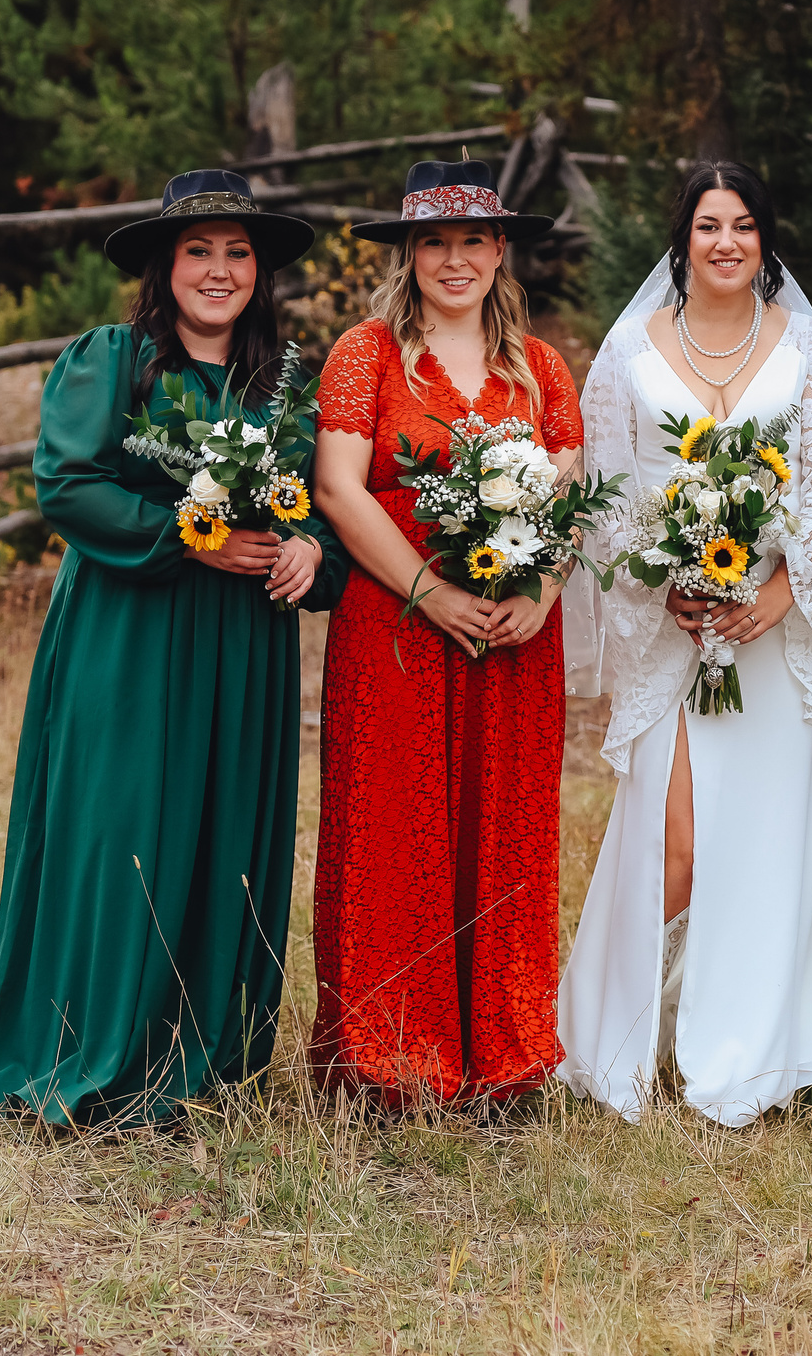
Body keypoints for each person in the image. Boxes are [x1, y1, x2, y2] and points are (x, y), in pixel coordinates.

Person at [0, 170, 344, 1127]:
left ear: (261, 269)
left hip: (246, 649)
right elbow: (68, 484)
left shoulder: (288, 384)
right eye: (199, 250)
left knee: (226, 825)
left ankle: (208, 1058)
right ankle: (100, 1044)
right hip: (132, 632)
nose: (219, 270)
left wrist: (308, 554)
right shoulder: (114, 360)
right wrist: (192, 535)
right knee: (123, 825)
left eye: (238, 252)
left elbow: (327, 511)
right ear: (166, 265)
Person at [559, 163, 812, 1125]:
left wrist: (779, 591)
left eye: (741, 225)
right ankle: (618, 1034)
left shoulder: (810, 348)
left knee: (771, 835)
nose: (724, 241)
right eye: (706, 225)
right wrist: (664, 578)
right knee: (674, 842)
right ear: (681, 239)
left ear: (765, 240)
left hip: (772, 633)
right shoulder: (627, 350)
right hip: (676, 627)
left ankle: (747, 1046)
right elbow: (604, 496)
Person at [309, 161, 581, 1103]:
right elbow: (339, 486)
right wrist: (426, 589)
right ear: (410, 254)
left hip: (512, 636)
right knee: (392, 825)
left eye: (474, 240)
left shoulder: (541, 369)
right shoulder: (368, 353)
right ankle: (389, 1056)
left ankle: (501, 1055)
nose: (454, 259)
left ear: (501, 250)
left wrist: (543, 593)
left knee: (504, 827)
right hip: (396, 625)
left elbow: (568, 496)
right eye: (435, 242)